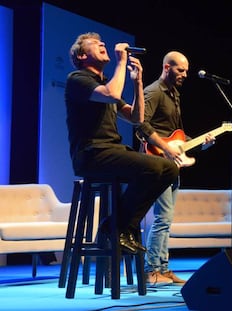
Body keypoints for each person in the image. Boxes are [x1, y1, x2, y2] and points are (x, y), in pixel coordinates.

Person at [65, 32, 179, 255]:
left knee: (169, 169)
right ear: (81, 55)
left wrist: (137, 82)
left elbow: (136, 118)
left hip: (112, 151)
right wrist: (121, 61)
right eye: (96, 44)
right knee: (157, 167)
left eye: (102, 42)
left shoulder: (105, 83)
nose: (103, 44)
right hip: (92, 154)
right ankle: (116, 228)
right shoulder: (78, 79)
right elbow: (111, 94)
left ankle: (118, 227)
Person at [136, 51, 215, 286]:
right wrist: (166, 149)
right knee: (162, 218)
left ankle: (163, 268)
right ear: (167, 67)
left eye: (186, 70)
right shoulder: (153, 92)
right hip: (157, 162)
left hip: (171, 164)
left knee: (166, 219)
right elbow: (141, 126)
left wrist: (202, 144)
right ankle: (152, 270)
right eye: (181, 70)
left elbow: (176, 137)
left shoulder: (173, 95)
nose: (185, 74)